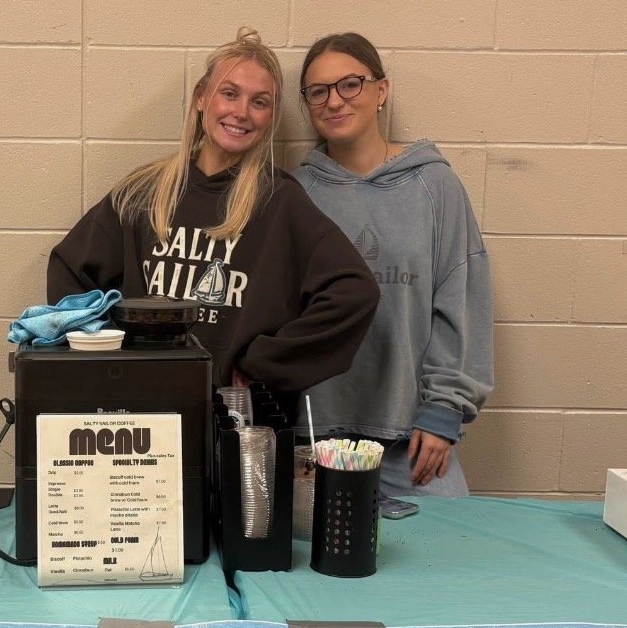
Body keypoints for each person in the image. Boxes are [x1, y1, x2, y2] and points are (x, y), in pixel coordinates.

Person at [48, 28, 379, 411]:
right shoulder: (143, 193)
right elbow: (69, 270)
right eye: (229, 93)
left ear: (270, 116)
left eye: (260, 101)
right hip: (141, 418)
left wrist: (262, 363)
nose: (241, 112)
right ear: (202, 98)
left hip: (235, 426)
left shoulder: (280, 202)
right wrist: (111, 360)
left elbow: (354, 293)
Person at [292, 32, 493, 498]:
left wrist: (446, 412)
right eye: (317, 91)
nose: (334, 101)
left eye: (350, 84)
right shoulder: (296, 194)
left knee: (445, 559)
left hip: (413, 440)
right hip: (316, 441)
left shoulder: (434, 185)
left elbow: (462, 302)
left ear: (381, 91)